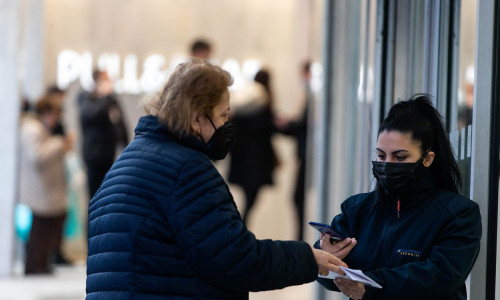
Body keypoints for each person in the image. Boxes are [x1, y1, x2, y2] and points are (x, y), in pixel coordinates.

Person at [86, 58, 347, 299]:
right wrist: (309, 259)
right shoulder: (185, 169)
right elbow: (235, 259)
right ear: (198, 118)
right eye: (223, 116)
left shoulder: (130, 159)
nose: (227, 125)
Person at [315, 94, 482, 299]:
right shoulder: (356, 209)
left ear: (427, 159)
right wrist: (327, 258)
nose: (387, 164)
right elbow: (320, 269)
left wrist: (371, 286)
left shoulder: (458, 214)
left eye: (399, 157)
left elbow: (439, 277)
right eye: (381, 155)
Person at [19, 93, 73, 274]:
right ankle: (35, 265)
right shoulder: (32, 129)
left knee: (46, 230)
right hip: (38, 189)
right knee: (39, 232)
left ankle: (39, 263)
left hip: (46, 189)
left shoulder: (37, 129)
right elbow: (36, 157)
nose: (56, 120)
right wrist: (58, 144)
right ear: (46, 112)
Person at [228, 69, 278, 223]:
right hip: (256, 162)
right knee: (250, 201)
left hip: (242, 159)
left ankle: (240, 230)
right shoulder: (261, 101)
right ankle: (240, 230)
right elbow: (266, 129)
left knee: (248, 201)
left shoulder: (245, 106)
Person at [274, 61, 312, 240]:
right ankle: (299, 238)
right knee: (297, 199)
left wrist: (288, 124)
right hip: (305, 154)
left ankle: (300, 239)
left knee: (298, 198)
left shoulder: (315, 96)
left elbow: (306, 126)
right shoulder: (311, 95)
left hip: (309, 156)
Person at [78, 70, 129, 202]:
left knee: (106, 195)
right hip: (93, 156)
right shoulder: (86, 98)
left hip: (108, 154)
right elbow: (93, 114)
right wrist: (105, 96)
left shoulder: (111, 99)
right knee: (94, 196)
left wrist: (126, 149)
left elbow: (120, 123)